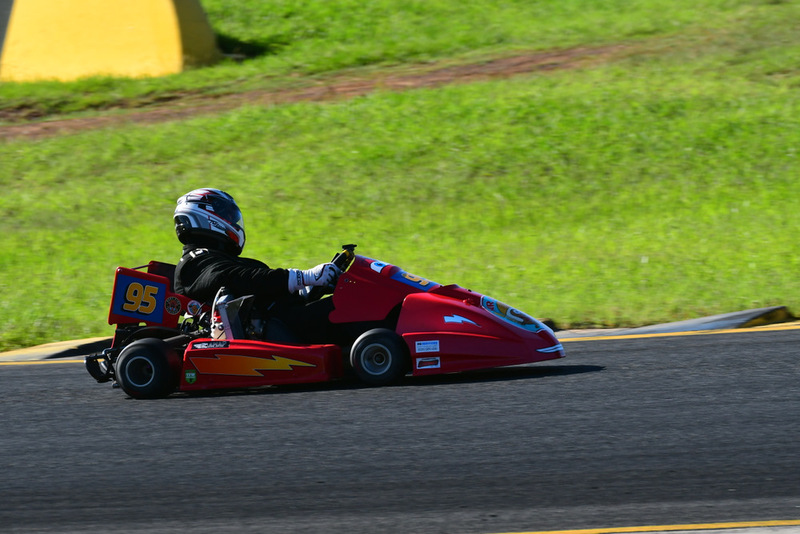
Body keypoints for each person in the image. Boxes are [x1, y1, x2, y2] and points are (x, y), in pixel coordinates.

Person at [172, 188, 341, 343]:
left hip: (287, 321)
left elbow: (262, 287)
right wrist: (303, 277)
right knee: (348, 309)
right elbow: (236, 279)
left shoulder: (219, 259)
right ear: (205, 215)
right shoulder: (194, 262)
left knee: (350, 298)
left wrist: (307, 289)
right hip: (275, 329)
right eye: (228, 215)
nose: (234, 221)